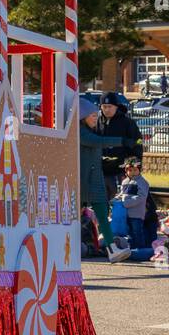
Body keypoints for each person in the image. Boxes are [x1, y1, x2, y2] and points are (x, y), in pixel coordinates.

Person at [79, 99, 114, 255]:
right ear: (83, 116)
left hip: (91, 179)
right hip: (83, 181)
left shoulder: (89, 130)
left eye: (96, 115)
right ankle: (111, 247)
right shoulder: (81, 132)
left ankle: (111, 246)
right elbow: (98, 142)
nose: (95, 118)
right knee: (96, 211)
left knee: (101, 212)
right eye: (93, 116)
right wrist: (124, 141)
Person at [95, 92, 142, 199]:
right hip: (102, 170)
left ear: (116, 107)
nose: (107, 109)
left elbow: (137, 144)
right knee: (103, 199)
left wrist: (134, 167)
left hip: (122, 170)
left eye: (110, 107)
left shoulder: (127, 123)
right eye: (104, 107)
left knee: (123, 199)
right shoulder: (97, 122)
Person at [105, 158, 150, 263]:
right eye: (130, 170)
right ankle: (132, 250)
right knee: (129, 232)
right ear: (126, 171)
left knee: (137, 231)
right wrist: (115, 200)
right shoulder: (125, 181)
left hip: (136, 212)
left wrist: (125, 203)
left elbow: (141, 197)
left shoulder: (142, 182)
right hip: (126, 213)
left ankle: (140, 251)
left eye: (135, 170)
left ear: (139, 170)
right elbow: (122, 194)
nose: (132, 172)